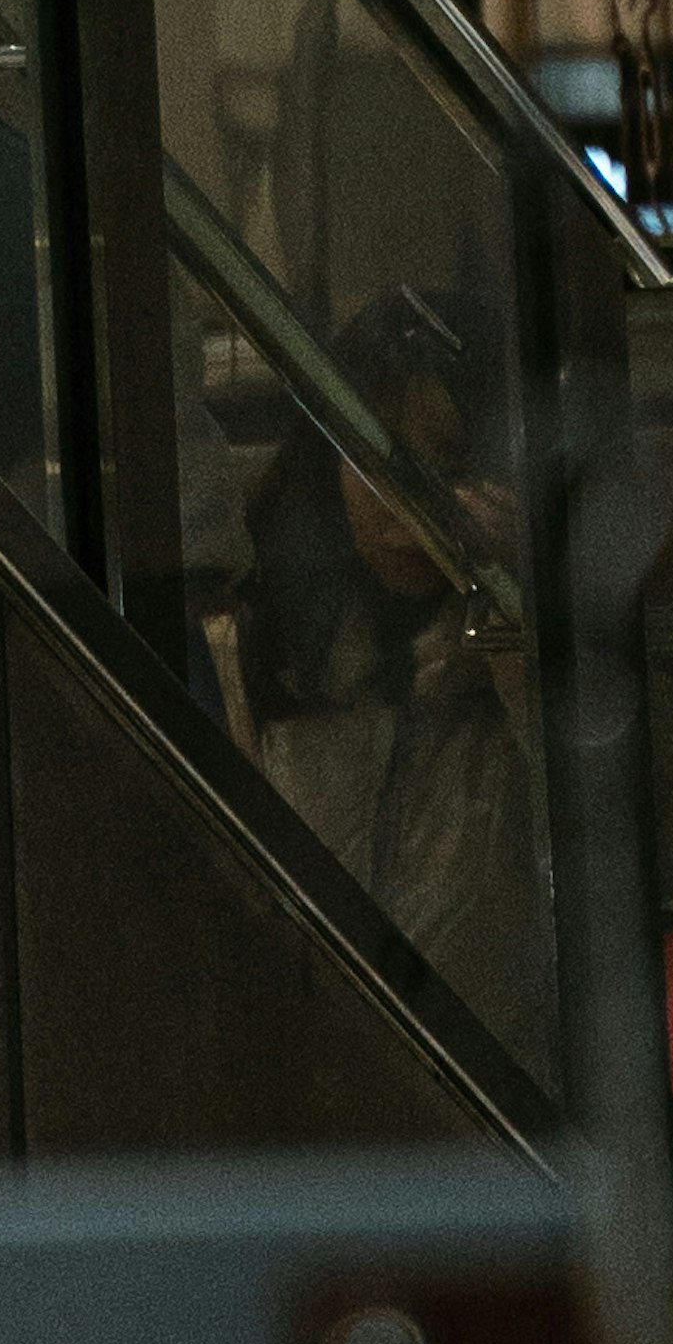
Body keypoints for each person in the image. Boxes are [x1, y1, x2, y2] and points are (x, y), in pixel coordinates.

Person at [233, 279, 556, 1077]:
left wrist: (518, 627)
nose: (398, 505)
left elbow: (631, 837)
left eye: (439, 464)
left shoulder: (531, 640)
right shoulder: (276, 646)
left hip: (501, 1103)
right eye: (369, 459)